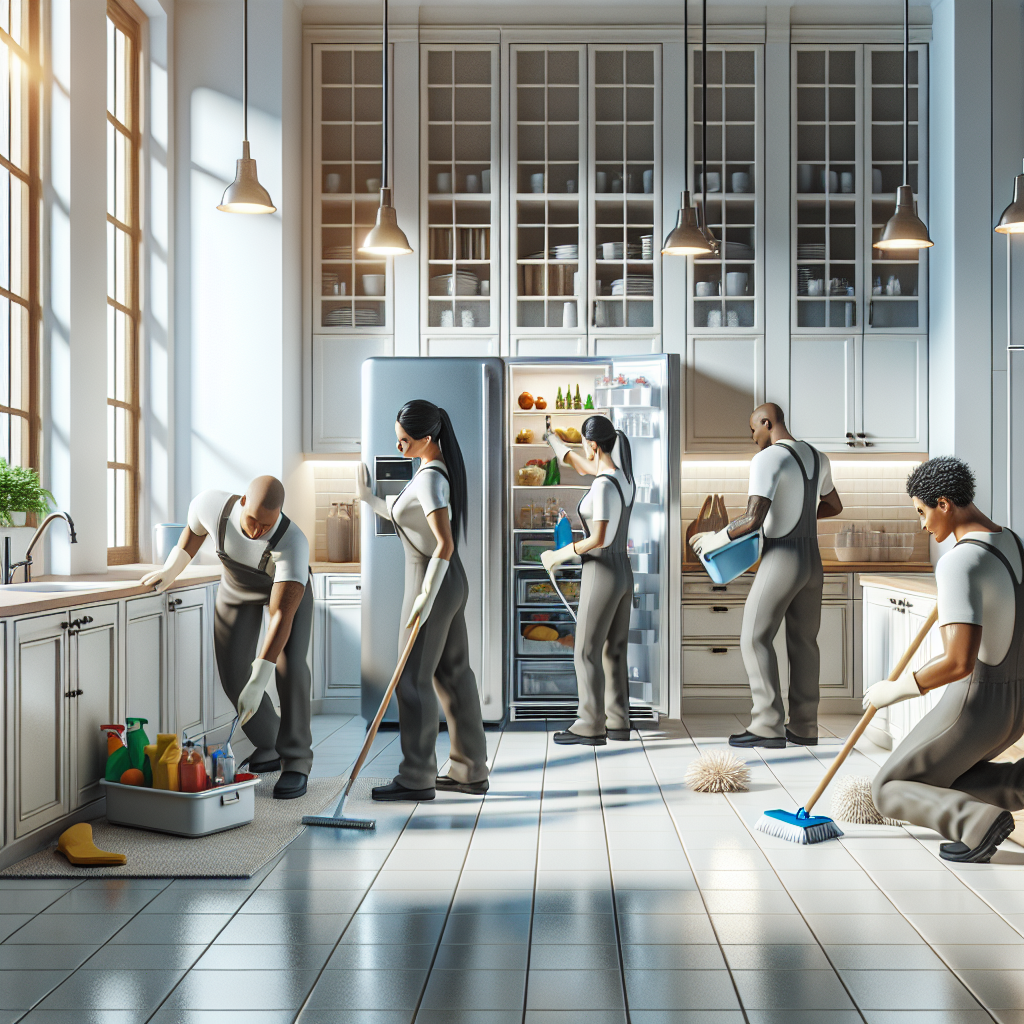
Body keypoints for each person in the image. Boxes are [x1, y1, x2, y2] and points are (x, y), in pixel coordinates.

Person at [868, 456, 1023, 863]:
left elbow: (959, 663)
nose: (922, 525)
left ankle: (975, 822)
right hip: (1017, 703)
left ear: (943, 504)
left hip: (975, 705)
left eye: (921, 512)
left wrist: (896, 689)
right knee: (945, 779)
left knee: (887, 789)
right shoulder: (1011, 540)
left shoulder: (959, 561)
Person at [141, 476, 313, 799]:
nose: (258, 531)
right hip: (236, 588)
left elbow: (280, 617)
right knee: (235, 676)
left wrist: (261, 676)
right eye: (253, 522)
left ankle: (296, 761)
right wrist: (171, 568)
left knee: (290, 670)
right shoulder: (212, 506)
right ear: (242, 502)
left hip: (287, 596)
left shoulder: (292, 543)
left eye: (268, 525)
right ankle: (271, 744)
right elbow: (192, 531)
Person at [356, 399, 489, 801]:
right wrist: (368, 498)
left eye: (404, 441)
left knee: (412, 681)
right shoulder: (431, 473)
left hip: (431, 581)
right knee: (453, 675)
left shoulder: (431, 480)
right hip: (450, 582)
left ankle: (416, 776)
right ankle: (470, 770)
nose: (399, 447)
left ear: (427, 438)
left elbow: (444, 543)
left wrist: (426, 595)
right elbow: (402, 513)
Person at [691, 403, 843, 747]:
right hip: (812, 561)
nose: (753, 436)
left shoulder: (768, 459)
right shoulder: (819, 457)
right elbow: (834, 505)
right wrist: (799, 514)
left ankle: (767, 723)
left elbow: (752, 518)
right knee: (805, 643)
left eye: (753, 429)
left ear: (767, 422)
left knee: (754, 637)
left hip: (783, 556)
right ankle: (805, 726)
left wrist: (711, 541)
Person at [541, 415, 635, 746]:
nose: (584, 449)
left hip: (602, 570)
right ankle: (618, 720)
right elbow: (581, 465)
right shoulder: (621, 478)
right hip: (624, 572)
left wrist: (559, 555)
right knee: (614, 650)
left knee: (585, 651)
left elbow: (599, 537)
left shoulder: (604, 484)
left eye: (585, 443)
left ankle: (590, 723)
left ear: (593, 444)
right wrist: (552, 439)